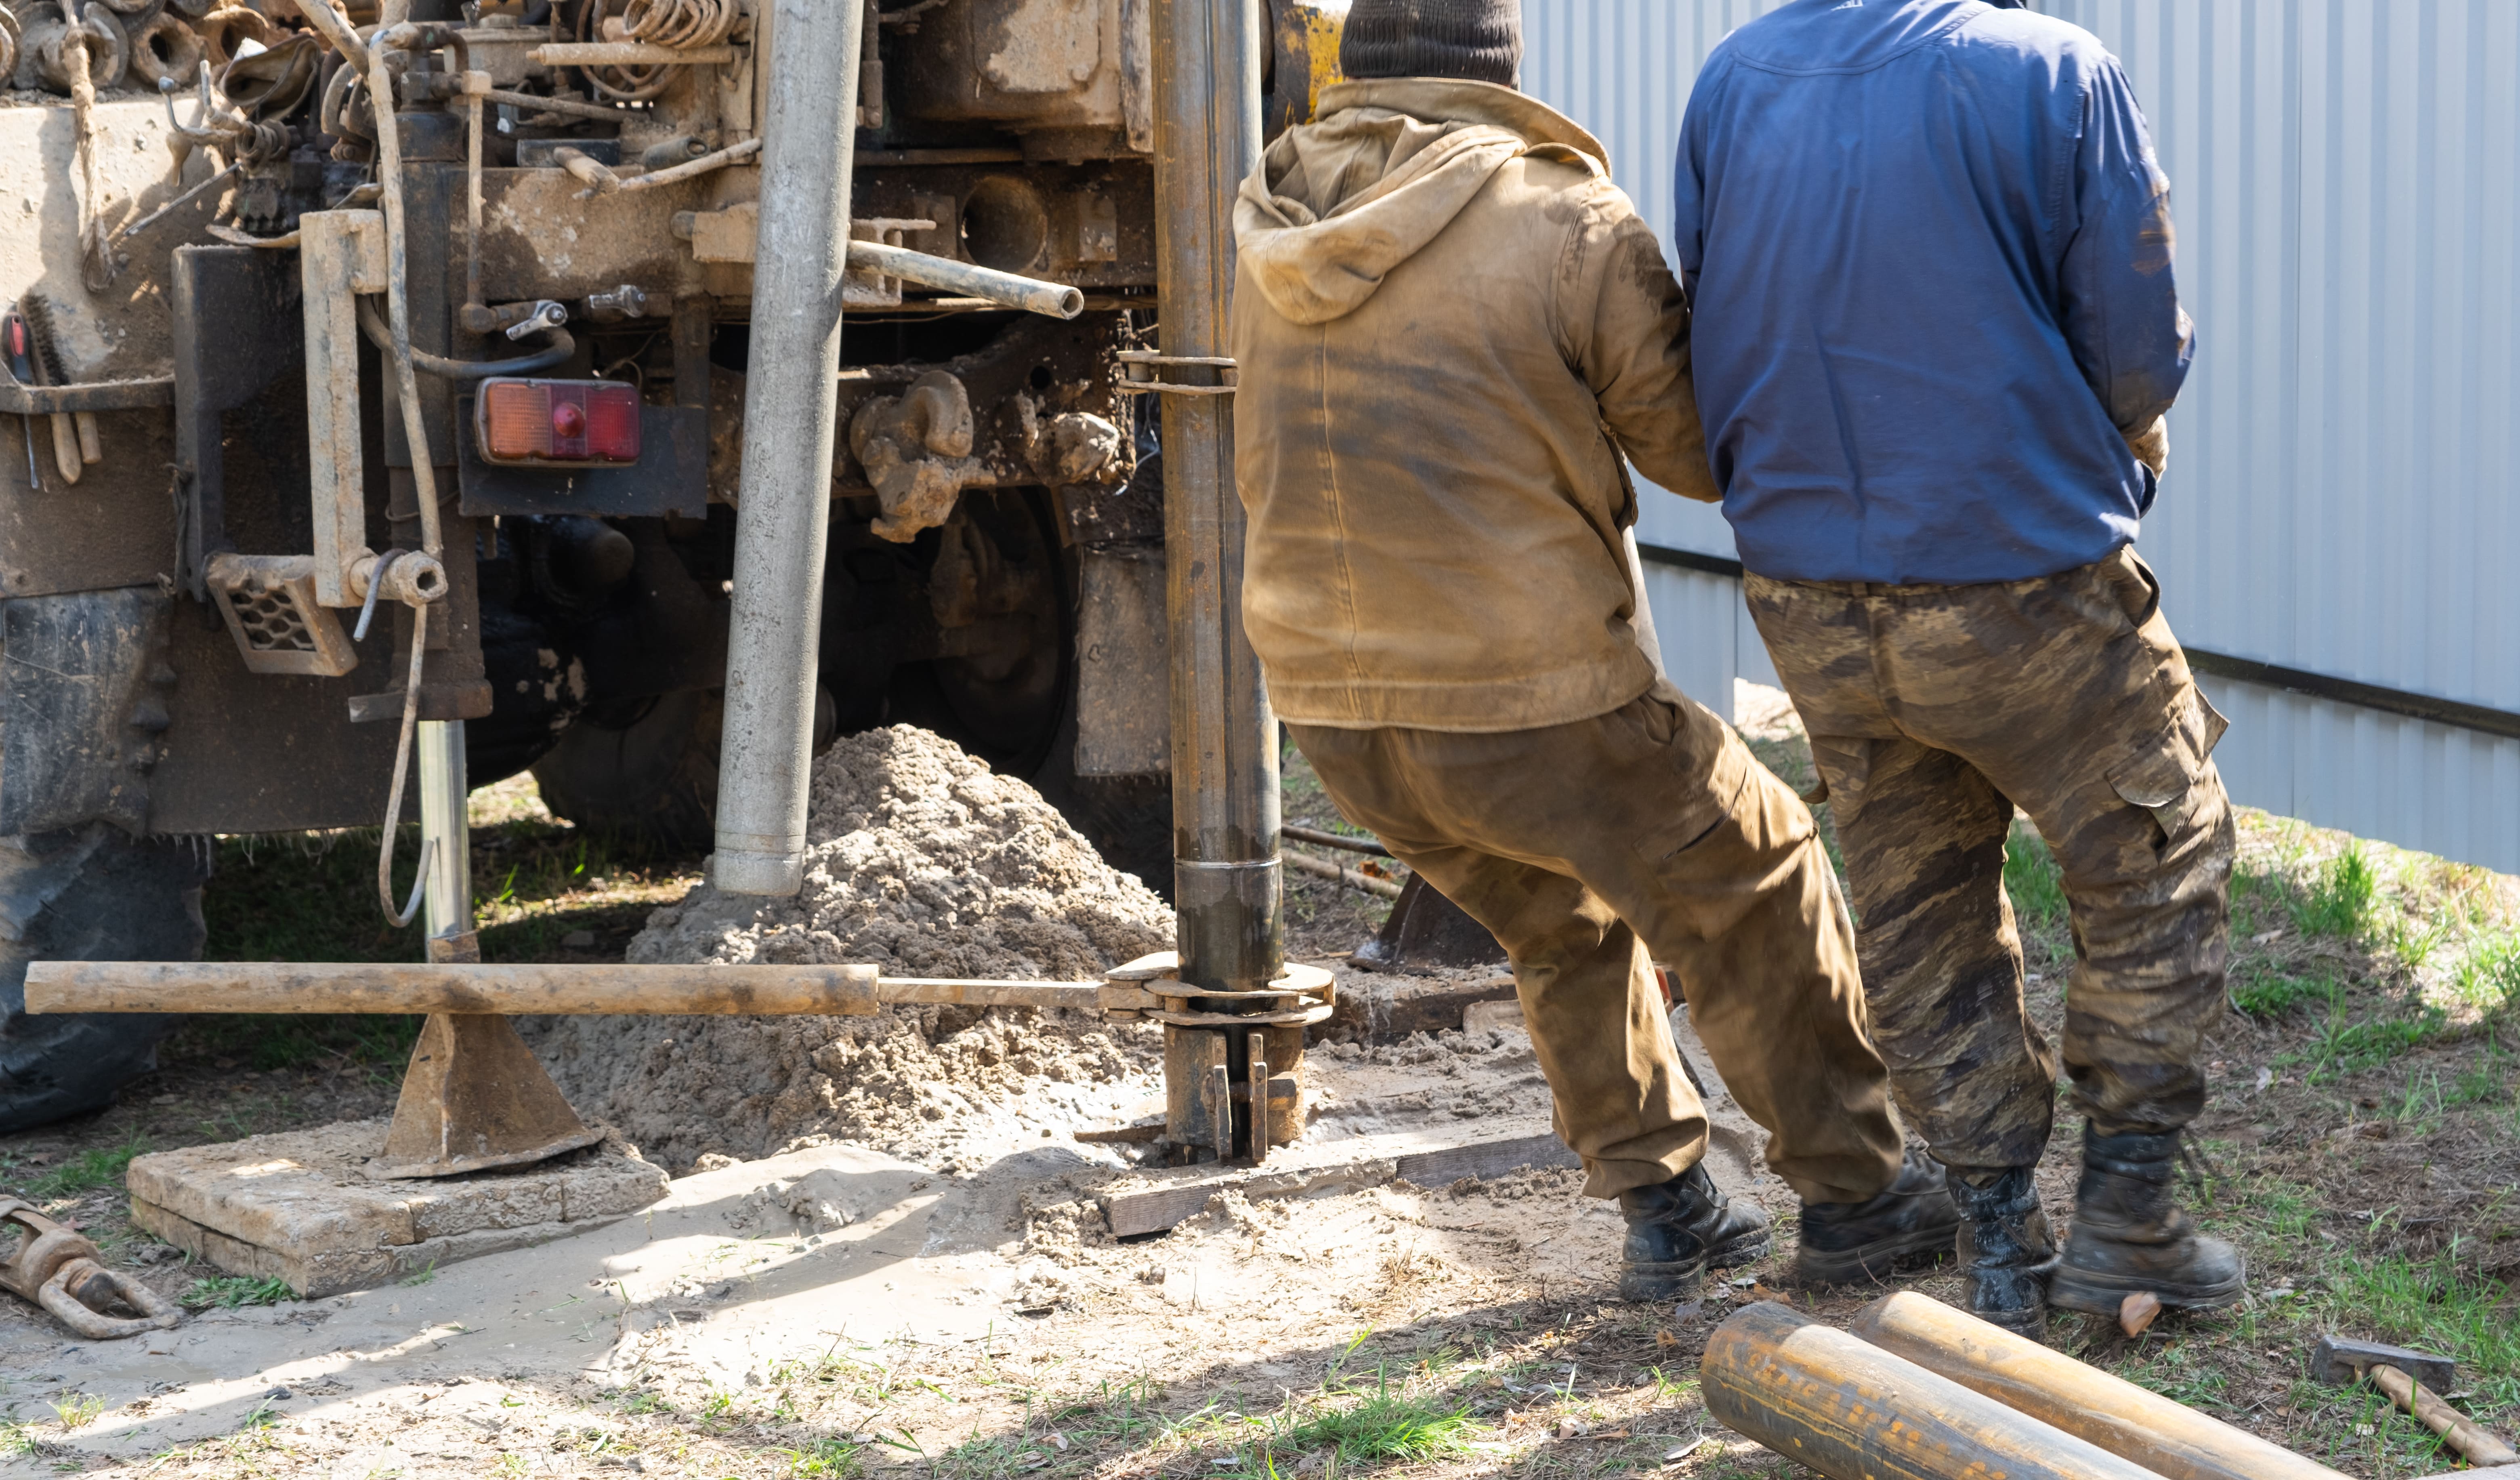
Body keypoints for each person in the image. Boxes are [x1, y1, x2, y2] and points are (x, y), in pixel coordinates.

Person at [1231, 0, 1958, 1301]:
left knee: (1557, 917)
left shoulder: (1272, 223)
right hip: (1529, 695)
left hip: (1331, 707)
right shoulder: (1567, 222)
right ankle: (1861, 1199)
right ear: (1499, 66)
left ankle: (1669, 1212)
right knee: (1759, 865)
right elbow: (1691, 453)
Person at [1672, 0, 2241, 1337]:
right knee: (2159, 863)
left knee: (1920, 907)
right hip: (2019, 578)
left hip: (1811, 590)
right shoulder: (2053, 71)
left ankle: (1998, 1236)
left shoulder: (1734, 79)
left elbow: (1711, 321)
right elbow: (2138, 344)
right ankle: (2128, 1222)